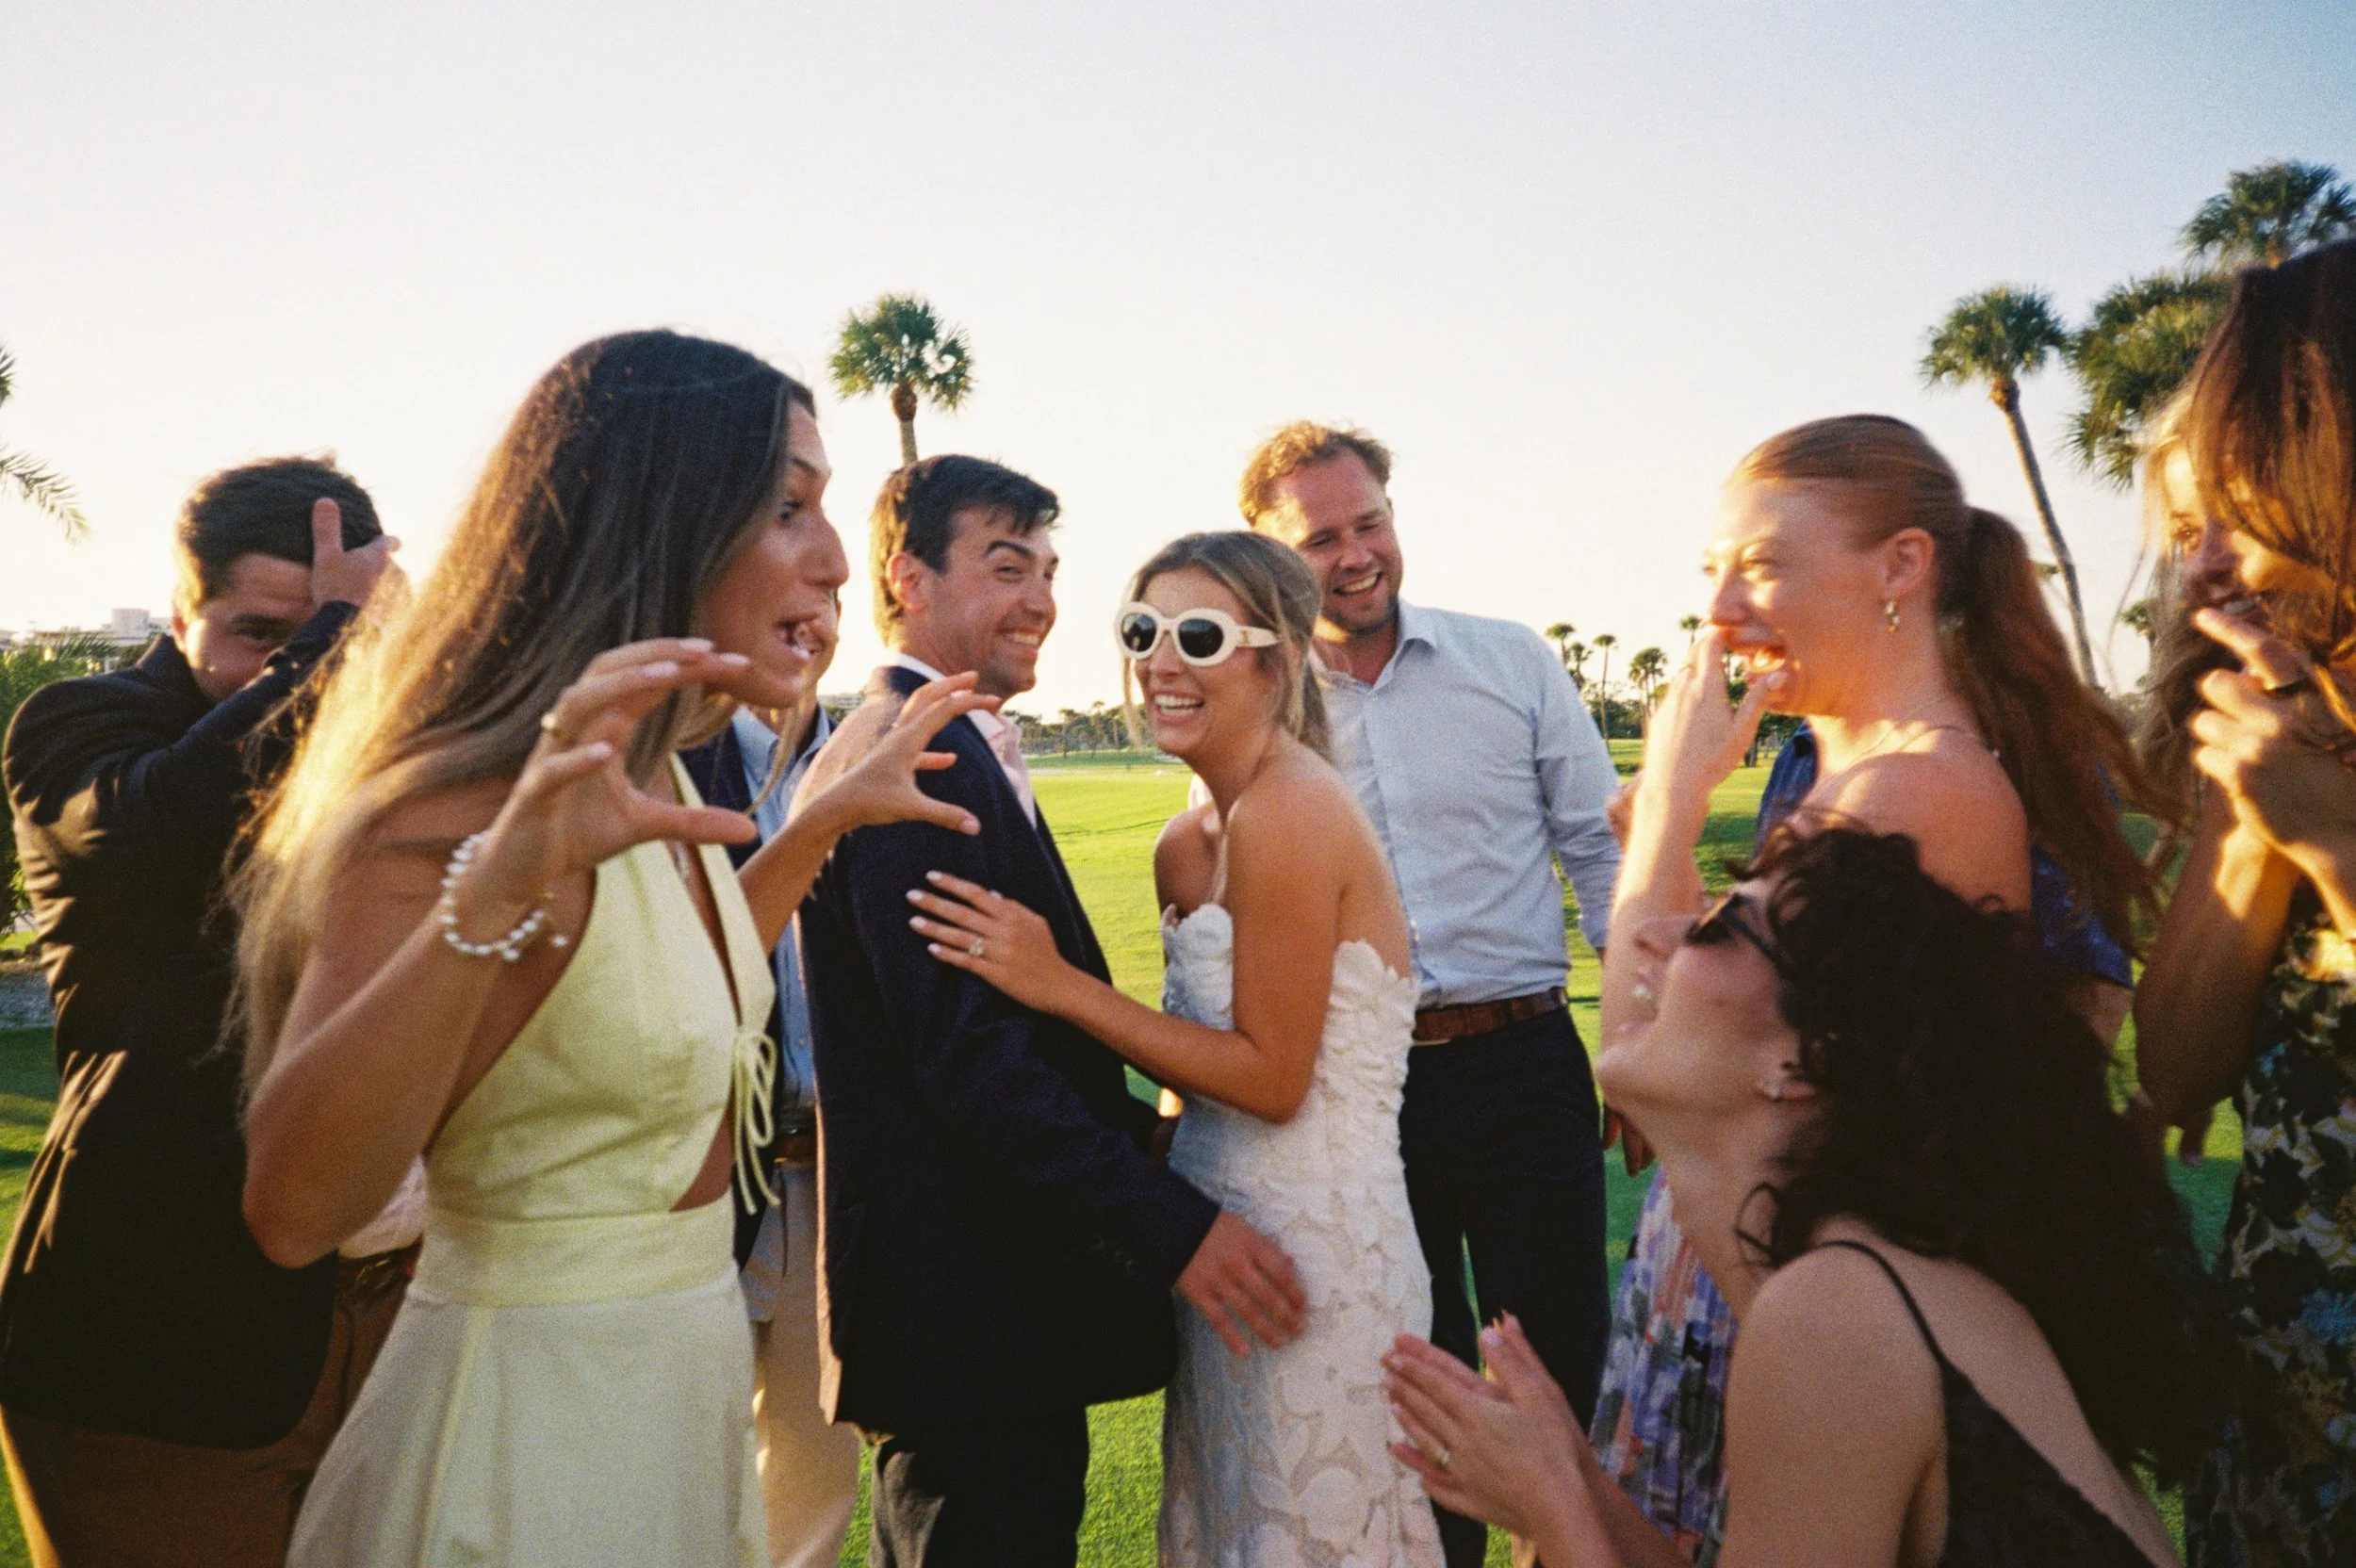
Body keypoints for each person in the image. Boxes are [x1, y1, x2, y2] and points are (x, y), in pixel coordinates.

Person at [229, 331, 994, 1567]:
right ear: (660, 521)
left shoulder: (642, 789)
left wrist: (821, 825)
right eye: (790, 505)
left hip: (671, 1427)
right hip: (528, 1457)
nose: (836, 557)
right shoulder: (472, 806)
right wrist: (493, 892)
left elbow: (668, 995)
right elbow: (295, 1207)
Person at [1595, 414, 2155, 1561]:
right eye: (1714, 570)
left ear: (1901, 565)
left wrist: (1666, 811)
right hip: (1740, 1259)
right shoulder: (1832, 767)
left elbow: (1640, 1060)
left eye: (1760, 564)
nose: (1720, 608)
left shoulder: (1913, 795)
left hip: (1787, 1290)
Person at [1383, 819, 2233, 1568]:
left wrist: (1555, 1509)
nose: (1656, 934)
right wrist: (1573, 1473)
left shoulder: (1836, 1312)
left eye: (1716, 926)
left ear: (1801, 1062)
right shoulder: (1854, 1278)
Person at [795, 461, 1306, 1568]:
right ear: (908, 578)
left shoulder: (950, 737)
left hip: (996, 1305)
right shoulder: (913, 751)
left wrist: (1147, 1132)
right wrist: (1177, 1227)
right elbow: (973, 1064)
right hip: (967, 1311)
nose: (1040, 598)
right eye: (1005, 565)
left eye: (1048, 569)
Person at [912, 530, 1444, 1567]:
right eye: (1142, 629)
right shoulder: (1184, 836)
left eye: (1198, 634)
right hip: (1216, 1243)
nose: (1160, 659)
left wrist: (1059, 988)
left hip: (1317, 1255)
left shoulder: (1291, 809)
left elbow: (1273, 1078)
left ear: (1274, 659)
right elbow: (1190, 1076)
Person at [0, 458, 403, 1568]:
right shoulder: (80, 720)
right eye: (254, 631)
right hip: (157, 1333)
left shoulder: (395, 743)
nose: (276, 665)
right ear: (181, 608)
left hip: (392, 1326)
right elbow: (167, 823)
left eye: (314, 634)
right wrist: (332, 643)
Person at [1235, 421, 1621, 1568]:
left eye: (1370, 524)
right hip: (1361, 1089)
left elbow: (1599, 856)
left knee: (1558, 1366)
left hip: (1522, 1062)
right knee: (1410, 1373)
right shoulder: (1255, 702)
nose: (1355, 556)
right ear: (1270, 556)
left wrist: (1646, 1040)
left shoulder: (1510, 661)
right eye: (1320, 540)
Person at [2131, 237, 2356, 1564]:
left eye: (2233, 501)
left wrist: (2335, 844)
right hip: (2289, 1373)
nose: (2200, 559)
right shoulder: (2288, 717)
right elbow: (2173, 1073)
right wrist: (2257, 827)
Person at [679, 596, 863, 1568]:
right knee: (670, 1486)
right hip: (694, 1188)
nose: (810, 624)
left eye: (825, 606)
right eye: (780, 605)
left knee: (813, 1498)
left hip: (830, 1186)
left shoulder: (882, 757)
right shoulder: (663, 763)